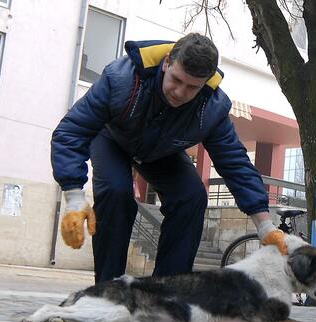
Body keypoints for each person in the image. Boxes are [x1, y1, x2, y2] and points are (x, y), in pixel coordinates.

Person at [51, 33, 287, 283]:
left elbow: (235, 164)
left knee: (192, 196)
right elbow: (71, 131)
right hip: (112, 138)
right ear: (166, 63)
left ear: (205, 84)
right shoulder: (121, 78)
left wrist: (265, 226)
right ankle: (108, 290)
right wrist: (74, 198)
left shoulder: (212, 107)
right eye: (176, 79)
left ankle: (167, 293)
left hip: (162, 151)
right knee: (116, 191)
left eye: (192, 87)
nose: (180, 92)